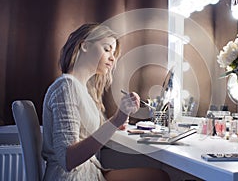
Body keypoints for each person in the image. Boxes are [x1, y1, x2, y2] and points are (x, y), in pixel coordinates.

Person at [42, 23, 170, 181]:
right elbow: (68, 159)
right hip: (72, 177)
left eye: (113, 53)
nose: (112, 58)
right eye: (107, 49)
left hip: (90, 171)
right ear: (85, 46)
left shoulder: (81, 89)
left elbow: (83, 135)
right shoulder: (66, 86)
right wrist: (116, 120)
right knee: (158, 177)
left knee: (158, 176)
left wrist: (115, 123)